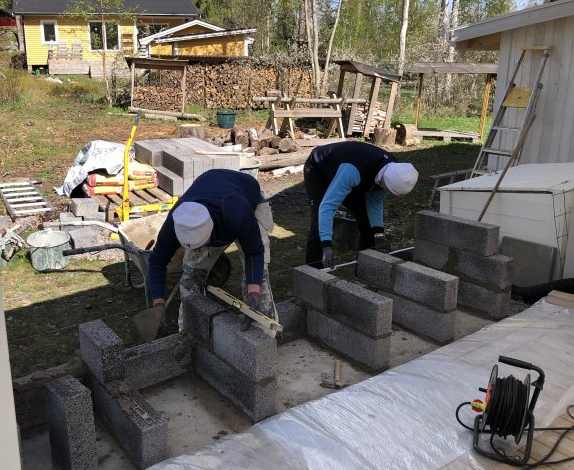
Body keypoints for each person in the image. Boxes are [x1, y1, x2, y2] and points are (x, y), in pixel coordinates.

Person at [148, 169, 278, 333]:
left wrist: (254, 293)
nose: (199, 249)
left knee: (260, 279)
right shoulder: (177, 221)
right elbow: (157, 261)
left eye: (202, 243)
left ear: (210, 230)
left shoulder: (236, 212)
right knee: (191, 277)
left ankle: (264, 333)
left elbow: (254, 252)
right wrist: (158, 303)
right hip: (213, 190)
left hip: (248, 200)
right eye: (193, 246)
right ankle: (188, 335)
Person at [304, 141, 418, 269]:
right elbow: (327, 207)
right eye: (390, 190)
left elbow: (374, 202)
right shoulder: (353, 171)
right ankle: (314, 272)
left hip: (355, 172)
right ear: (385, 180)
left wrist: (379, 234)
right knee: (318, 222)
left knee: (367, 223)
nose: (388, 193)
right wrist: (326, 246)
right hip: (320, 170)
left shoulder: (393, 171)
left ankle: (365, 270)